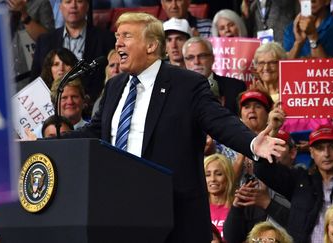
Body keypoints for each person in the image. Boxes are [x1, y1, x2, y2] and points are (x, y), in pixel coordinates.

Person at [62, 12, 286, 243]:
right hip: (119, 210)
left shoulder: (186, 84)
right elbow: (94, 131)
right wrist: (46, 145)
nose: (118, 42)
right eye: (117, 36)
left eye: (126, 36)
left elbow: (220, 121)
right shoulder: (115, 86)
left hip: (172, 217)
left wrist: (251, 142)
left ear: (151, 45)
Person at [254, 124, 333, 242]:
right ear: (311, 152)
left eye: (331, 147)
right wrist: (273, 131)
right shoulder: (300, 180)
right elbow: (263, 171)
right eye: (320, 148)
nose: (326, 154)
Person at [30, 0, 115, 107]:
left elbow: (111, 77)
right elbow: (35, 80)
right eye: (68, 2)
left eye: (79, 1)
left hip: (94, 107)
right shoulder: (45, 40)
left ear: (87, 6)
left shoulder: (106, 39)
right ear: (60, 7)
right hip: (50, 108)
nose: (73, 6)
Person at [223, 129, 295, 243]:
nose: (270, 151)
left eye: (277, 146)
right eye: (266, 146)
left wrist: (268, 203)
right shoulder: (250, 188)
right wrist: (237, 208)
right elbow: (232, 238)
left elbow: (302, 227)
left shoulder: (301, 185)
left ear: (292, 153)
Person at [182, 36, 246, 114]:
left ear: (212, 58)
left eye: (202, 56)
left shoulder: (236, 87)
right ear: (185, 61)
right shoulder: (177, 90)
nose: (196, 62)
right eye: (191, 57)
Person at [7, 0, 55, 91]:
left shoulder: (41, 3)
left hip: (33, 78)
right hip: (7, 80)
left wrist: (24, 15)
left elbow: (50, 40)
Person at [204, 154, 235, 239]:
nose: (212, 179)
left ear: (228, 177)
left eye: (218, 174)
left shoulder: (238, 207)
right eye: (207, 175)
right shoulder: (198, 208)